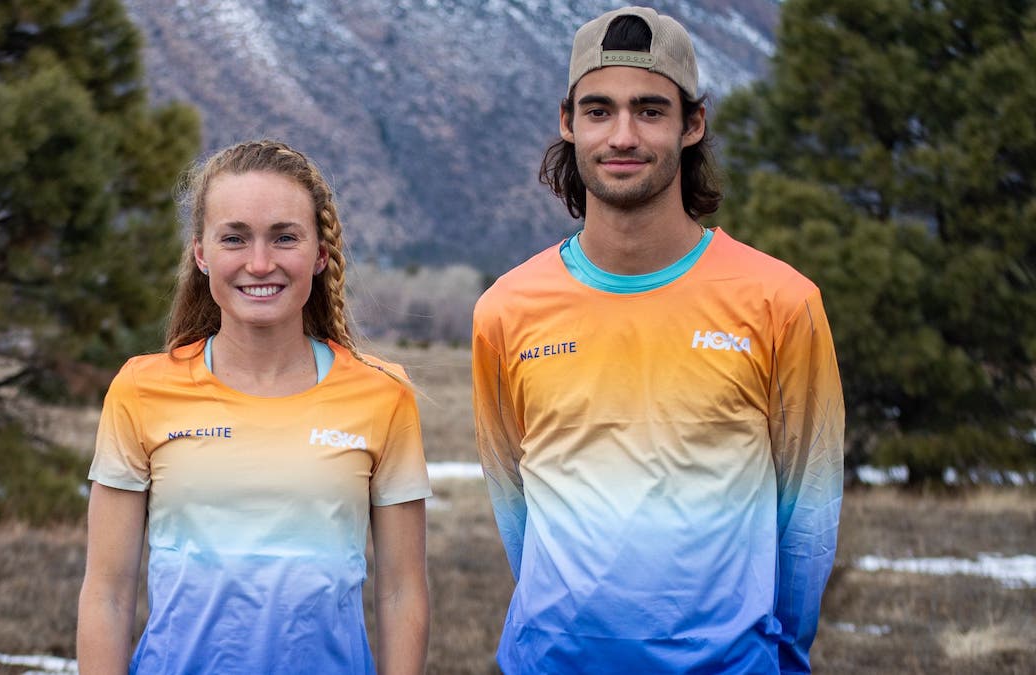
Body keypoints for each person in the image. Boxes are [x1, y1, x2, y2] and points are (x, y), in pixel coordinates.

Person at [471, 7, 844, 674]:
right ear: (568, 121)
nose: (623, 135)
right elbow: (515, 505)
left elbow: (808, 514)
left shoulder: (781, 303)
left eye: (649, 110)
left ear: (691, 124)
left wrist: (779, 658)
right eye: (599, 111)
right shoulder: (505, 310)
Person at [77, 140, 431, 674]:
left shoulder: (383, 394)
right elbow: (107, 593)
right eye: (234, 238)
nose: (260, 264)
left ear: (320, 254)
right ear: (201, 253)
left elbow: (402, 592)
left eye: (284, 237)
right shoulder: (141, 389)